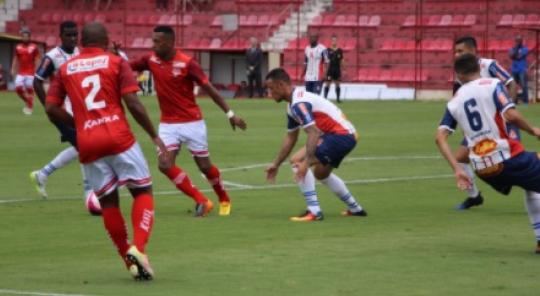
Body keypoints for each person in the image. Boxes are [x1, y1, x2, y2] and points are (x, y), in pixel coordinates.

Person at [45, 22, 169, 280]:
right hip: (118, 137)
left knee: (108, 202)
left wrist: (77, 124)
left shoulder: (67, 68)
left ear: (82, 42)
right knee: (142, 191)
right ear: (106, 40)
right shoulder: (114, 61)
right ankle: (139, 248)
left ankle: (129, 260)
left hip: (88, 141)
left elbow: (50, 108)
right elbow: (133, 103)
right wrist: (155, 136)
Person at [130, 25, 247, 217]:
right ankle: (201, 200)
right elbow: (127, 66)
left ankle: (224, 198)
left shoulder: (187, 63)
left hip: (192, 122)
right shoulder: (150, 59)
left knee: (204, 166)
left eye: (157, 42)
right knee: (164, 164)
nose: (153, 45)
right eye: (153, 41)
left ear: (168, 42)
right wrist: (114, 55)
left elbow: (209, 89)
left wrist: (230, 114)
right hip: (167, 124)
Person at [436, 53, 540, 253]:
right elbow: (511, 114)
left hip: (484, 169)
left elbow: (439, 138)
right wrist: (532, 130)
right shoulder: (492, 84)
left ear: (458, 75)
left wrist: (457, 170)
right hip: (508, 157)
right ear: (477, 67)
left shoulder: (454, 102)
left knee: (532, 186)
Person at [264, 68, 366, 222]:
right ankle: (356, 208)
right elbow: (291, 137)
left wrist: (307, 162)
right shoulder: (292, 105)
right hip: (340, 135)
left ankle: (314, 211)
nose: (269, 93)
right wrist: (276, 164)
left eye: (271, 89)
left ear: (280, 85)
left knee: (297, 160)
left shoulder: (299, 103)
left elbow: (313, 132)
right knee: (321, 173)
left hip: (341, 136)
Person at [31, 21, 101, 214]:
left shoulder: (80, 53)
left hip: (81, 110)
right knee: (85, 146)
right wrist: (49, 108)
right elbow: (37, 82)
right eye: (69, 35)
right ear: (60, 36)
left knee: (81, 147)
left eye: (75, 35)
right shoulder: (52, 57)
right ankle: (90, 193)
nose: (72, 39)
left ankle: (42, 174)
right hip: (63, 112)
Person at [451, 36, 519, 210]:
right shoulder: (460, 73)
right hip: (479, 128)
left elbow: (511, 84)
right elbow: (458, 100)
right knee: (459, 158)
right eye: (456, 51)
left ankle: (527, 187)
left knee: (517, 161)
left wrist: (507, 111)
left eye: (461, 51)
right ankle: (474, 196)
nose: (457, 54)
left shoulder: (489, 65)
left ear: (473, 51)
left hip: (499, 124)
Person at [11, 29, 40, 115]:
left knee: (29, 89)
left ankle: (29, 107)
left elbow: (37, 59)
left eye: (27, 36)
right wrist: (13, 68)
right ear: (21, 37)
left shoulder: (34, 47)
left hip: (31, 72)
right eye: (23, 36)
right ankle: (28, 101)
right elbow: (15, 58)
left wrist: (38, 70)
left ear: (29, 37)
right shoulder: (18, 47)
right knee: (18, 88)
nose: (25, 38)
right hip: (21, 72)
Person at [509, 35, 529, 104]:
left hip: (522, 69)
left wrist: (515, 55)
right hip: (514, 69)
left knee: (523, 85)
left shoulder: (525, 49)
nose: (518, 42)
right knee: (513, 86)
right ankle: (514, 101)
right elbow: (511, 56)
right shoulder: (512, 48)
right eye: (517, 40)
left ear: (521, 41)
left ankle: (525, 101)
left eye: (519, 40)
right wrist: (516, 51)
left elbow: (519, 57)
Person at [323, 35, 344, 103]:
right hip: (330, 69)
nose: (334, 42)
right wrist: (325, 69)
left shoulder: (340, 51)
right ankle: (325, 98)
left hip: (337, 69)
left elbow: (341, 61)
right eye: (333, 40)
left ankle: (338, 99)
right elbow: (325, 61)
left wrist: (344, 69)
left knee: (337, 84)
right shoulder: (328, 50)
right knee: (327, 84)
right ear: (331, 41)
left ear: (336, 41)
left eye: (335, 40)